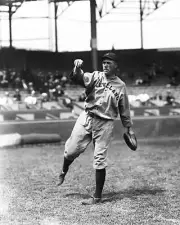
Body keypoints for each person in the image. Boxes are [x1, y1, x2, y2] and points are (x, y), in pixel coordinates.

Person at [58, 52, 135, 205]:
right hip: (87, 117)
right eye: (104, 62)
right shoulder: (95, 76)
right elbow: (79, 77)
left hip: (105, 123)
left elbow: (124, 109)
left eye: (109, 63)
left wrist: (129, 129)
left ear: (116, 66)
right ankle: (63, 171)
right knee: (71, 150)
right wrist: (77, 68)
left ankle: (97, 196)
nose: (105, 65)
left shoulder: (121, 86)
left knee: (99, 159)